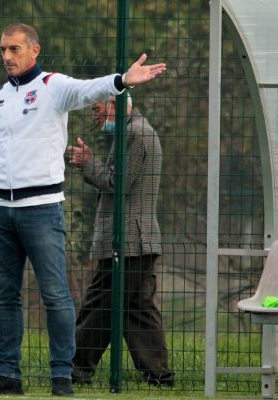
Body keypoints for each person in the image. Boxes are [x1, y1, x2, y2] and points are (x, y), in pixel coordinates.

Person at [0, 23, 165, 396]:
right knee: (4, 296)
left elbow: (88, 88)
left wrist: (122, 80)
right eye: (3, 50)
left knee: (55, 295)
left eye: (14, 49)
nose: (7, 57)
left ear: (34, 50)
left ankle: (62, 377)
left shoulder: (53, 87)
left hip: (41, 209)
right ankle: (8, 375)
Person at [67, 95, 174, 387]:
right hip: (135, 241)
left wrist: (89, 163)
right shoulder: (132, 132)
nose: (95, 116)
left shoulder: (137, 134)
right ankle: (159, 376)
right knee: (137, 309)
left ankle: (75, 370)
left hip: (128, 242)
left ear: (116, 103)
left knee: (99, 306)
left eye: (97, 109)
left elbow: (119, 183)